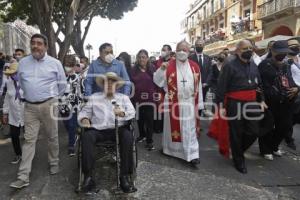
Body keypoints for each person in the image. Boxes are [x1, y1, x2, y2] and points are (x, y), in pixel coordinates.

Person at [10, 33, 67, 189]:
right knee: (29, 140)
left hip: (49, 105)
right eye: (33, 43)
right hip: (29, 107)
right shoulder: (23, 63)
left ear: (46, 46)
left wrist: (54, 99)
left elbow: (62, 85)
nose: (35, 46)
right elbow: (20, 83)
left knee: (52, 136)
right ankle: (23, 176)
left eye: (39, 43)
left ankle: (54, 162)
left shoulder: (55, 63)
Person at [78, 72, 137, 194]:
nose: (109, 85)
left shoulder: (123, 98)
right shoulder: (94, 97)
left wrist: (123, 113)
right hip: (98, 130)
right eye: (107, 83)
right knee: (86, 136)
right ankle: (88, 177)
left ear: (117, 85)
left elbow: (132, 112)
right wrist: (84, 119)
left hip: (118, 129)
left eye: (112, 83)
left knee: (127, 136)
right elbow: (84, 113)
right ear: (102, 85)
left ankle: (124, 176)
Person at [216, 40, 267, 174]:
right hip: (235, 103)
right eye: (245, 48)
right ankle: (239, 160)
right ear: (237, 51)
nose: (248, 50)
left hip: (252, 102)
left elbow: (259, 84)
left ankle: (237, 149)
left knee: (253, 131)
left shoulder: (254, 65)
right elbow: (221, 86)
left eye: (250, 48)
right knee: (236, 132)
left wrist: (261, 100)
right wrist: (220, 105)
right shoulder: (229, 65)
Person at [153, 41, 204, 168]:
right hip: (173, 103)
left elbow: (199, 87)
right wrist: (161, 69)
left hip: (189, 103)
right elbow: (157, 81)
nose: (182, 52)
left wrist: (200, 104)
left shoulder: (195, 67)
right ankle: (172, 150)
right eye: (179, 49)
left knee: (189, 129)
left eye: (184, 50)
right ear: (175, 51)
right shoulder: (168, 65)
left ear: (189, 52)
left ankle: (192, 154)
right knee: (173, 129)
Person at [258, 40, 298, 160]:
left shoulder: (286, 65)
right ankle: (265, 150)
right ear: (273, 51)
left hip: (286, 101)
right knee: (267, 126)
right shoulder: (264, 65)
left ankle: (274, 146)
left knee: (285, 126)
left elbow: (290, 80)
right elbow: (259, 85)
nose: (282, 55)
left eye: (285, 53)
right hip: (269, 101)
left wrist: (296, 89)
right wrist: (261, 100)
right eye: (280, 52)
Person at [130, 49, 156, 150]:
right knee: (140, 119)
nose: (141, 59)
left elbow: (158, 81)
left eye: (144, 57)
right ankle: (142, 135)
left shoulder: (152, 68)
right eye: (140, 57)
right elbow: (130, 84)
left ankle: (149, 141)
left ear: (147, 58)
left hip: (150, 99)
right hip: (137, 99)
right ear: (137, 58)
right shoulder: (133, 70)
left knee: (150, 120)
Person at [59, 55, 84, 156]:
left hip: (73, 104)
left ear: (74, 66)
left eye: (70, 65)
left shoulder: (78, 78)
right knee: (66, 124)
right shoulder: (60, 76)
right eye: (66, 65)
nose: (67, 67)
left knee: (71, 124)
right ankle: (75, 132)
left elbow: (80, 92)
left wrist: (82, 103)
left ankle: (71, 145)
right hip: (62, 104)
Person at [2, 63, 24, 164]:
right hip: (14, 115)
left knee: (29, 136)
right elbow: (6, 99)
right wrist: (5, 113)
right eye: (11, 74)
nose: (12, 75)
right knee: (14, 136)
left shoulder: (26, 82)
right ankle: (18, 154)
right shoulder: (9, 83)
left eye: (14, 73)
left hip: (26, 114)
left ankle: (28, 154)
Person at [284, 38, 300, 150]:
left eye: (297, 45)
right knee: (290, 118)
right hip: (291, 93)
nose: (295, 47)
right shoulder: (284, 61)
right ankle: (289, 139)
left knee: (295, 118)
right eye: (292, 45)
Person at [154, 44, 174, 133]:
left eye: (165, 50)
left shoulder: (174, 62)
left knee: (168, 109)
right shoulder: (158, 62)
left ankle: (167, 126)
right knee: (159, 108)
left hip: (169, 89)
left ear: (170, 51)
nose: (163, 51)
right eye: (162, 49)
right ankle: (158, 127)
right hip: (158, 89)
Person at [189, 39, 212, 108]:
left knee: (203, 102)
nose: (199, 46)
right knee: (194, 102)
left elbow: (210, 71)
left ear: (203, 46)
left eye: (201, 44)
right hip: (193, 85)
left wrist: (207, 82)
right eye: (198, 45)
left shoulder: (208, 58)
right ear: (195, 46)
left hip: (205, 85)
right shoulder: (190, 58)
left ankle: (200, 114)